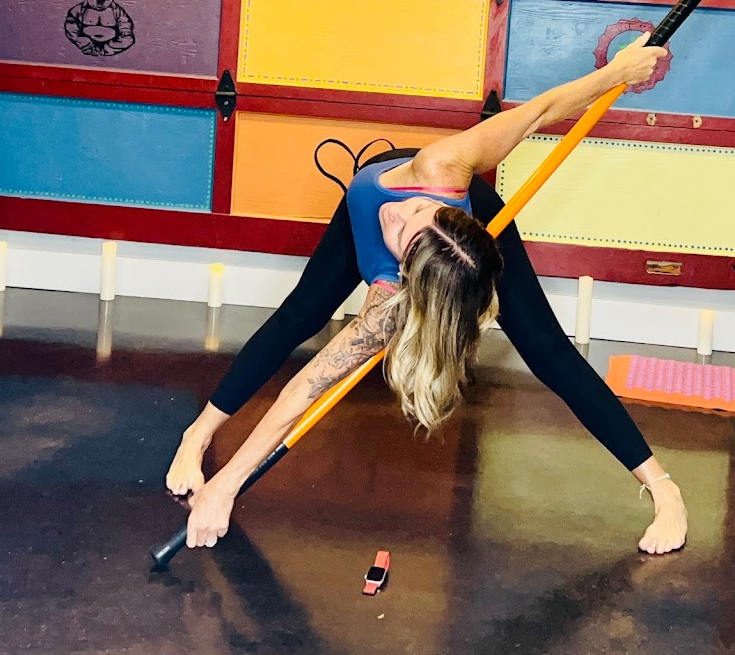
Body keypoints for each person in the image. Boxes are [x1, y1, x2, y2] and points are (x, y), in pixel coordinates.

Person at [167, 33, 688, 555]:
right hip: (389, 196)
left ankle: (664, 490)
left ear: (404, 278)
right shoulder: (442, 168)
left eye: (406, 233)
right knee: (301, 313)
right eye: (420, 213)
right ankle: (199, 432)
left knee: (547, 350)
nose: (400, 214)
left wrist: (225, 488)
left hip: (450, 257)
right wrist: (617, 73)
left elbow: (303, 390)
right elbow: (538, 113)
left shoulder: (386, 302)